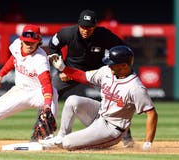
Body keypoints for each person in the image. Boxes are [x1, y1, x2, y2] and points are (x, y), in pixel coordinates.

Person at [31, 9, 134, 148]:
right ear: (78, 25)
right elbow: (53, 46)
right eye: (83, 26)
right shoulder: (67, 33)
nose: (86, 30)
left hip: (96, 73)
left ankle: (127, 138)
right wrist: (60, 68)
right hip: (71, 71)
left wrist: (109, 65)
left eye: (90, 27)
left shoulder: (104, 35)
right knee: (50, 93)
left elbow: (122, 48)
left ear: (95, 26)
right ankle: (38, 133)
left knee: (114, 98)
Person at [40, 45, 158, 151]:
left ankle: (66, 141)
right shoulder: (106, 71)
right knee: (72, 100)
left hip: (112, 129)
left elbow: (152, 113)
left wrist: (148, 143)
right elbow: (83, 76)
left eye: (112, 63)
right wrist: (64, 68)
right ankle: (61, 135)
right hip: (98, 114)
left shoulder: (135, 88)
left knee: (67, 143)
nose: (108, 65)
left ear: (124, 65)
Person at [0, 24, 58, 148]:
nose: (29, 45)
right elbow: (14, 59)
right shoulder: (16, 44)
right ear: (22, 40)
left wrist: (46, 105)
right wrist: (1, 74)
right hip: (19, 91)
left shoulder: (40, 59)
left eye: (32, 42)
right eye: (26, 42)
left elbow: (46, 84)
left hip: (38, 93)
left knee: (52, 97)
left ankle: (48, 139)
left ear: (38, 41)